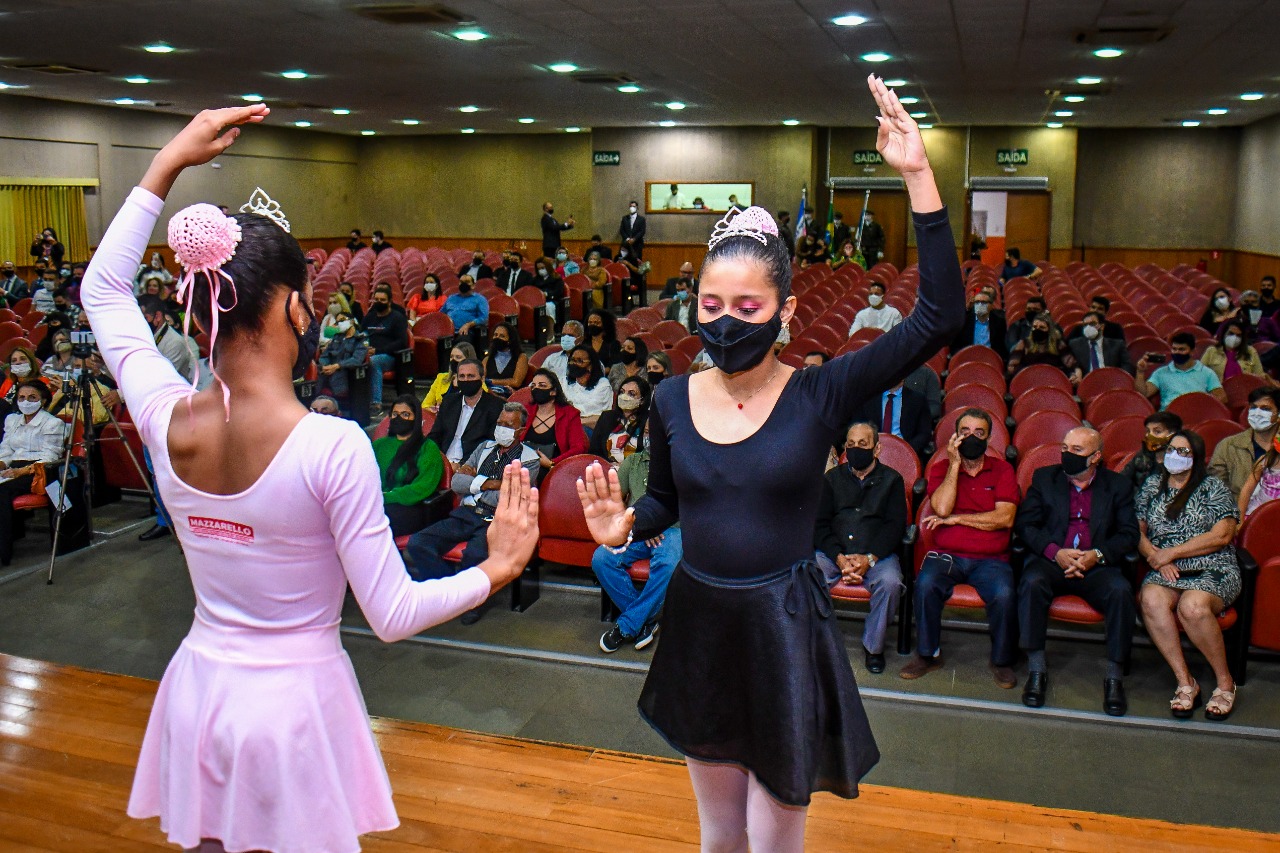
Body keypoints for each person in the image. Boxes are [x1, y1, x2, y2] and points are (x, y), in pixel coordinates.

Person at [81, 106, 541, 853]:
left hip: (197, 690)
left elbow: (102, 291)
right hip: (293, 707)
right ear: (298, 309)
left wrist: (165, 165)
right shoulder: (331, 446)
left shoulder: (165, 418)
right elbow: (392, 612)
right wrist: (498, 566)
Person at [576, 77, 962, 851]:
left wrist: (918, 176)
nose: (725, 322)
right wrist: (626, 526)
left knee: (773, 833)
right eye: (711, 306)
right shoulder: (672, 398)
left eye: (747, 308)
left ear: (785, 312)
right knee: (719, 833)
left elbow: (940, 314)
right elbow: (668, 502)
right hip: (701, 618)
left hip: (783, 626)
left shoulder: (822, 392)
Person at [1015, 427, 1139, 715]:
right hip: (1053, 561)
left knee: (1121, 592)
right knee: (1031, 582)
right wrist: (1055, 552)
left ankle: (1114, 678)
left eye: (1076, 450)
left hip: (1095, 564)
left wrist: (1097, 556)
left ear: (1095, 457)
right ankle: (1036, 670)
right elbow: (1026, 525)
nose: (1067, 454)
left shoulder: (1117, 486)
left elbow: (1129, 534)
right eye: (1065, 448)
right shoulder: (1045, 478)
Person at [905, 408, 1020, 687]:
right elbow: (942, 508)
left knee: (1004, 594)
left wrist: (958, 519)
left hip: (991, 558)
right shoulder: (941, 469)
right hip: (947, 555)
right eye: (965, 432)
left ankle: (1002, 661)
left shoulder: (1003, 470)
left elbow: (1004, 518)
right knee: (925, 585)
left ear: (989, 438)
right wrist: (955, 465)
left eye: (979, 433)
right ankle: (928, 654)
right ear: (955, 437)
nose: (972, 438)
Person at [1136, 430, 1242, 722]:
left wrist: (1172, 553)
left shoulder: (1212, 487)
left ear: (1196, 458)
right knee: (1151, 599)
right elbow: (1137, 530)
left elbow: (1222, 535)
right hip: (1166, 568)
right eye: (1172, 449)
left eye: (1183, 452)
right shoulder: (1152, 484)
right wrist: (1155, 558)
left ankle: (1224, 682)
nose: (1175, 456)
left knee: (1191, 607)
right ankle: (1185, 681)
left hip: (1213, 566)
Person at [407, 403, 541, 624]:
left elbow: (510, 496)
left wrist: (475, 484)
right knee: (418, 543)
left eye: (509, 425)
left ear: (521, 430)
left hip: (496, 520)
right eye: (499, 423)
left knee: (475, 555)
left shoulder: (530, 459)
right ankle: (452, 593)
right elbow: (456, 482)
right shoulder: (484, 447)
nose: (502, 428)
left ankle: (471, 604)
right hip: (466, 513)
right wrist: (492, 483)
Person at [813, 421, 907, 673]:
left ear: (877, 449)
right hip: (835, 554)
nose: (856, 449)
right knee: (808, 576)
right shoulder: (831, 479)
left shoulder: (892, 480)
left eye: (863, 444)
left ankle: (873, 648)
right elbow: (820, 525)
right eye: (851, 444)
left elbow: (895, 526)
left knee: (891, 583)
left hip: (876, 555)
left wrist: (869, 559)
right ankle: (816, 642)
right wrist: (839, 558)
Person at [593, 419, 680, 652]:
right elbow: (613, 503)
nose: (651, 437)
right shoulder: (632, 462)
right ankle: (644, 621)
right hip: (636, 529)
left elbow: (687, 505)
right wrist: (639, 525)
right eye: (648, 432)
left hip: (672, 529)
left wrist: (655, 524)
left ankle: (627, 626)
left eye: (657, 432)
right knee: (601, 558)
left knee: (669, 564)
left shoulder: (680, 464)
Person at [0, 379, 65, 564]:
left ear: (43, 400)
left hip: (38, 471)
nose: (26, 402)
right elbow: (6, 450)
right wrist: (2, 464)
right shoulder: (12, 420)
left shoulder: (53, 423)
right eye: (21, 398)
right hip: (13, 467)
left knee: (2, 491)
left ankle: (3, 552)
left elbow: (49, 458)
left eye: (32, 397)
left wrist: (20, 472)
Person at [374, 395, 444, 537]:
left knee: (374, 522)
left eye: (406, 414)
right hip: (376, 503)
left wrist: (388, 497)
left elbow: (424, 486)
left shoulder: (428, 448)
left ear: (416, 419)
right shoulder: (378, 445)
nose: (399, 418)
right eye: (395, 414)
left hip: (410, 507)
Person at [426, 359, 503, 465]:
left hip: (471, 465)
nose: (466, 380)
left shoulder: (496, 406)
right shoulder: (449, 402)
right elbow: (435, 435)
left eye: (471, 376)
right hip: (441, 461)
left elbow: (492, 446)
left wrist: (463, 466)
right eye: (462, 376)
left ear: (482, 378)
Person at [1210, 387, 1280, 498]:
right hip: (1237, 506)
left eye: (1265, 409)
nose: (1257, 413)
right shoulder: (1228, 446)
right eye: (1253, 407)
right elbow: (1216, 489)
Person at [521, 368, 587, 479]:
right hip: (522, 466)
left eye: (542, 385)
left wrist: (552, 463)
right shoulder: (524, 411)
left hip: (555, 471)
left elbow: (578, 448)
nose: (536, 389)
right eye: (533, 386)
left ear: (554, 391)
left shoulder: (570, 414)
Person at [1136, 332, 1227, 410]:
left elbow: (1222, 398)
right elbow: (1144, 393)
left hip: (1196, 415)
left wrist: (1200, 404)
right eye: (1174, 349)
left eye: (1181, 349)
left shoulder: (1207, 373)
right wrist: (1140, 372)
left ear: (1192, 351)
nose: (1177, 352)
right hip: (1169, 417)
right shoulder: (1161, 372)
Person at [363, 287, 410, 415]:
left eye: (382, 300)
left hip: (390, 356)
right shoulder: (369, 317)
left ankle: (376, 403)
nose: (379, 302)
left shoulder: (397, 318)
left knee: (374, 361)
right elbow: (361, 334)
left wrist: (378, 350)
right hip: (367, 352)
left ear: (389, 302)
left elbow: (401, 342)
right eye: (376, 299)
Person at [856, 380, 931, 459]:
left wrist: (906, 450)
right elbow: (857, 426)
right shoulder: (868, 397)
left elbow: (924, 433)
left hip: (904, 453)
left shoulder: (918, 399)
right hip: (872, 451)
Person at [315, 310, 369, 412]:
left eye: (342, 320)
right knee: (314, 373)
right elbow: (325, 355)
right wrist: (325, 366)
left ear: (352, 321)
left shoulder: (361, 339)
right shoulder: (337, 337)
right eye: (338, 321)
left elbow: (356, 360)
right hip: (328, 371)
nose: (340, 323)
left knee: (337, 376)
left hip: (345, 372)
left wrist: (336, 366)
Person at [590, 376, 649, 463]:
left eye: (631, 394)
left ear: (642, 400)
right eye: (622, 392)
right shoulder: (607, 417)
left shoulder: (648, 420)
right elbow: (594, 452)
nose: (624, 396)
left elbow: (649, 454)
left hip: (635, 470)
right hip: (607, 468)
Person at [1124, 411, 1183, 492]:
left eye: (1157, 432)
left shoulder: (1183, 460)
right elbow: (1122, 480)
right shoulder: (1142, 455)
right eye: (1148, 431)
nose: (1150, 436)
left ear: (1173, 435)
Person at [1006, 311, 1076, 378]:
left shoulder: (1058, 344)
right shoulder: (1023, 344)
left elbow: (1071, 365)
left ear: (1049, 329)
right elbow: (1012, 367)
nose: (1037, 329)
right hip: (1028, 379)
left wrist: (1073, 374)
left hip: (1053, 379)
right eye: (1035, 327)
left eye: (1042, 327)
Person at [1068, 310, 1134, 378]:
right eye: (1085, 325)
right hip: (1086, 382)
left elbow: (1127, 366)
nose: (1088, 328)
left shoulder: (1117, 345)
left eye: (1092, 324)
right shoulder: (1074, 345)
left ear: (1102, 327)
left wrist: (1119, 378)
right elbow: (1069, 367)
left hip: (1111, 381)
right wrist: (1074, 375)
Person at [421, 343, 486, 411]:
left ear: (468, 360)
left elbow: (482, 407)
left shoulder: (477, 382)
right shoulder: (441, 378)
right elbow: (425, 405)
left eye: (458, 357)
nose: (453, 360)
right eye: (451, 357)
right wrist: (433, 409)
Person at [563, 344, 614, 429]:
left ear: (590, 366)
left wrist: (569, 408)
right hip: (567, 423)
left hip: (591, 428)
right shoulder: (564, 381)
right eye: (572, 360)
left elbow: (591, 412)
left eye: (580, 361)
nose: (574, 364)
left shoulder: (603, 385)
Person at [950, 288, 1007, 360]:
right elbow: (955, 347)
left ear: (991, 306)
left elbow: (1002, 348)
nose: (980, 305)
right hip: (968, 359)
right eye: (977, 302)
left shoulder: (999, 322)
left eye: (983, 302)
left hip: (991, 359)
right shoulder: (965, 322)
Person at [1199, 321, 1265, 382]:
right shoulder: (1211, 351)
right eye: (1231, 333)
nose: (1234, 338)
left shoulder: (1251, 352)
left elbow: (1260, 378)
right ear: (1224, 334)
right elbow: (1199, 374)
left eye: (1238, 335)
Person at [484, 321, 529, 395]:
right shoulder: (487, 359)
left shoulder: (521, 357)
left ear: (510, 340)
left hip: (511, 395)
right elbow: (481, 380)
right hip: (489, 394)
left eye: (502, 336)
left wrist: (491, 381)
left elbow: (516, 382)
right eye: (495, 335)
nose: (497, 338)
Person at [544, 319, 584, 384]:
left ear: (581, 339)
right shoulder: (552, 359)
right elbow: (538, 379)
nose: (566, 338)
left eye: (570, 335)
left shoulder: (589, 360)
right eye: (563, 335)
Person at [533, 256, 566, 330]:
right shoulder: (535, 280)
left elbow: (559, 292)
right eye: (539, 269)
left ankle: (551, 330)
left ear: (547, 267)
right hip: (538, 301)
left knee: (548, 306)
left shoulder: (556, 278)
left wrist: (547, 294)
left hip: (552, 300)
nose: (541, 270)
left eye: (543, 268)